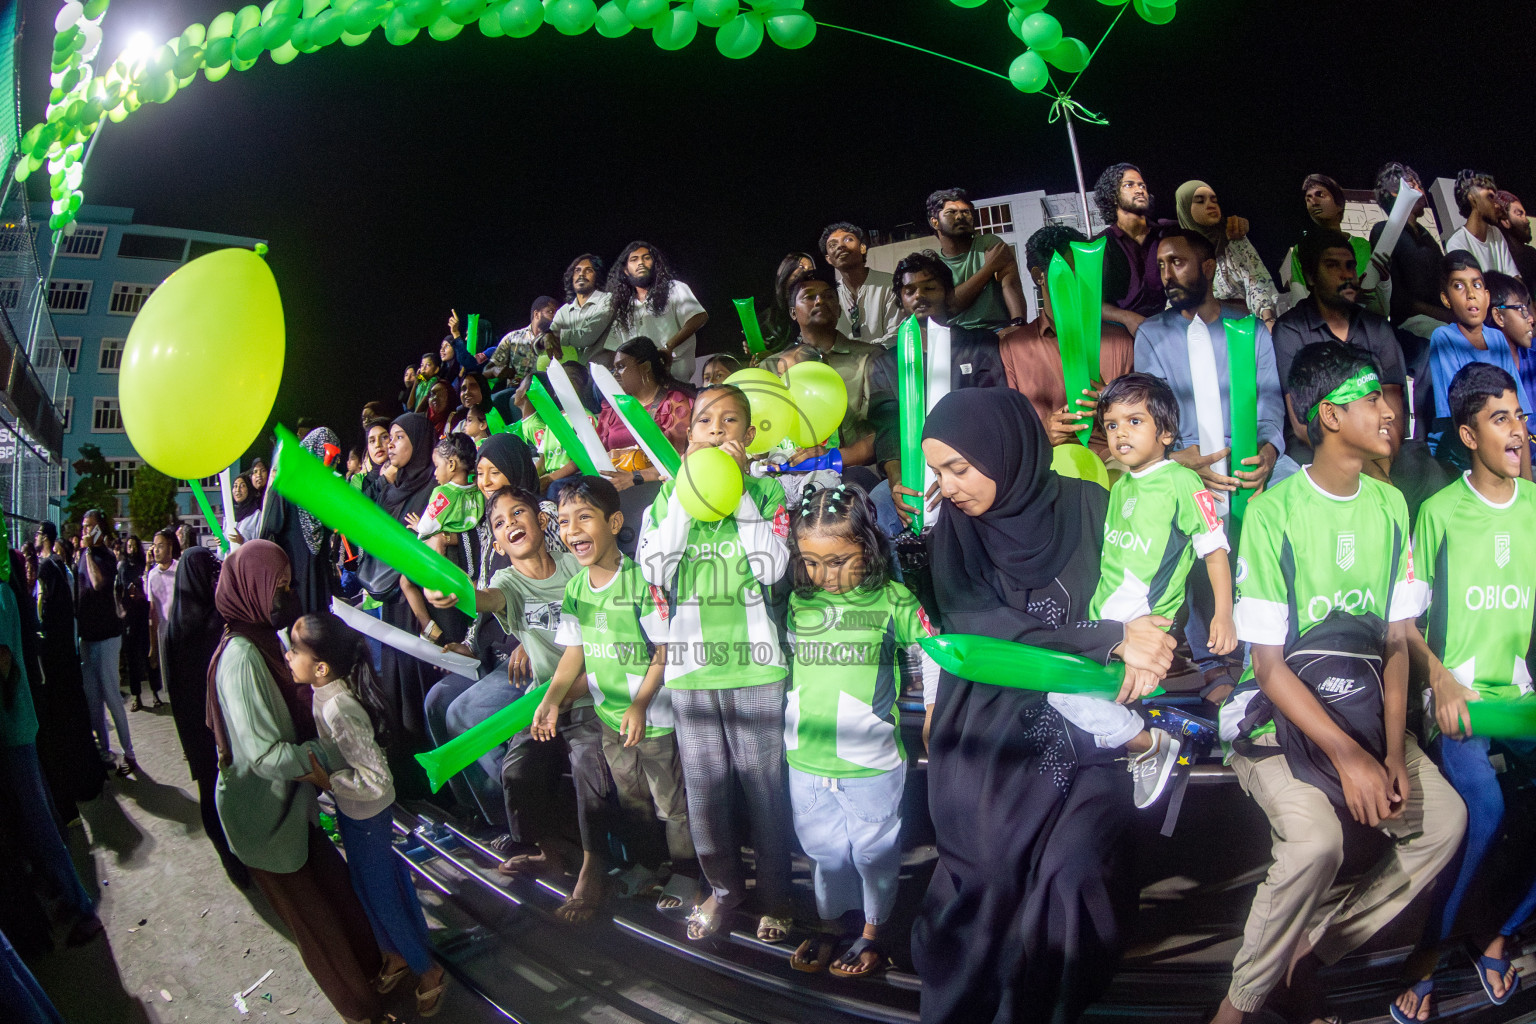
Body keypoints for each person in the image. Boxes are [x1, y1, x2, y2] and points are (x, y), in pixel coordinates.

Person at [1209, 343, 1464, 1024]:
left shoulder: (1390, 504)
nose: (1389, 412)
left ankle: (1308, 956)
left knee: (1444, 822)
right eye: (1372, 399)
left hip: (1362, 712)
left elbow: (1394, 644)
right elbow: (1268, 667)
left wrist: (1390, 751)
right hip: (1278, 718)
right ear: (1329, 415)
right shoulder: (1274, 512)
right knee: (1316, 844)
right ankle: (1238, 1005)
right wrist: (1352, 758)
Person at [912, 387, 1176, 1024]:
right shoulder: (953, 536)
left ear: (1006, 451)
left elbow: (1142, 585)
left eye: (959, 468)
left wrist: (1149, 640)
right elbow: (989, 632)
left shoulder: (1091, 505)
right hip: (991, 724)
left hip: (1092, 729)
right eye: (938, 472)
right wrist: (1110, 638)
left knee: (1073, 873)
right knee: (989, 867)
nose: (947, 487)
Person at [1390, 364, 1534, 1022]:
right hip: (1460, 699)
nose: (1518, 431)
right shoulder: (1439, 512)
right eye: (1501, 419)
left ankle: (1497, 933)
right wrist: (1441, 676)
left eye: (1520, 416)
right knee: (1486, 806)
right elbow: (1404, 625)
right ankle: (1427, 952)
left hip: (1521, 698)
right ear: (1469, 435)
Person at [636, 384, 793, 943]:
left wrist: (738, 493)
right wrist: (689, 492)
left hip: (757, 669)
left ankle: (778, 897)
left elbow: (772, 569)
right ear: (687, 436)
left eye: (731, 422)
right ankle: (724, 892)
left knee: (766, 794)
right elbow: (654, 569)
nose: (718, 431)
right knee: (704, 797)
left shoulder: (767, 493)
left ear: (748, 437)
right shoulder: (664, 499)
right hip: (691, 670)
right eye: (706, 421)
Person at [207, 541, 384, 1024]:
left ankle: (378, 974)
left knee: (340, 896)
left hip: (291, 804)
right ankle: (363, 1012)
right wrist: (336, 751)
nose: (285, 596)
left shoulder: (263, 640)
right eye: (278, 587)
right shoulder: (241, 659)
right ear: (252, 588)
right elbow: (264, 757)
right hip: (262, 818)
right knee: (318, 928)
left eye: (286, 585)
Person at [426, 487, 610, 923]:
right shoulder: (508, 583)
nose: (510, 523)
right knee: (518, 769)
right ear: (496, 544)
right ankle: (550, 852)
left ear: (541, 521)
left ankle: (594, 866)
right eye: (499, 522)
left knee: (589, 762)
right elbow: (482, 598)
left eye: (518, 513)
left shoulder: (575, 564)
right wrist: (453, 591)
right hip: (545, 700)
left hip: (592, 691)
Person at [782, 483, 938, 979]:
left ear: (867, 549)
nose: (824, 575)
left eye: (838, 561)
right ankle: (831, 923)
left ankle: (873, 931)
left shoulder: (894, 600)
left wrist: (932, 711)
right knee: (824, 853)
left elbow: (933, 654)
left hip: (870, 762)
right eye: (811, 561)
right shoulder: (800, 602)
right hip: (806, 759)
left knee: (873, 854)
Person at [532, 478, 700, 913]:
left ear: (614, 522)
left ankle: (686, 875)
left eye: (584, 517)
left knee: (671, 803)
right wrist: (552, 697)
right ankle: (647, 865)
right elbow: (575, 651)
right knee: (632, 799)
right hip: (611, 720)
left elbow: (664, 649)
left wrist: (641, 704)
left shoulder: (642, 582)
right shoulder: (576, 589)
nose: (572, 530)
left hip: (653, 720)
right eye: (564, 521)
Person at [1134, 230, 1288, 698]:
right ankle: (1211, 660)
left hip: (1247, 456)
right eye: (1161, 265)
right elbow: (1151, 414)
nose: (1167, 274)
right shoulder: (1153, 334)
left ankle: (1277, 646)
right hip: (1185, 458)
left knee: (1296, 493)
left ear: (1208, 267)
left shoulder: (1248, 329)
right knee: (1178, 506)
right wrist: (1177, 459)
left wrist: (1268, 452)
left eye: (1177, 262)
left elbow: (1270, 403)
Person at [1070, 373, 1233, 808]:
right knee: (1071, 703)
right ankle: (1158, 736)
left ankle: (1152, 743)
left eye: (1134, 421)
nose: (1120, 433)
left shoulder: (1182, 482)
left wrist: (1223, 615)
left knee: (1065, 694)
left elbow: (1214, 551)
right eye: (1112, 424)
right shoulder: (1121, 485)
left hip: (1146, 632)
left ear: (1165, 433)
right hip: (1104, 631)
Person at [287, 612, 449, 1017]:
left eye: (294, 650)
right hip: (353, 810)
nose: (287, 656)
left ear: (321, 668)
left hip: (368, 814)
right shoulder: (324, 694)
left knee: (383, 897)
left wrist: (328, 781)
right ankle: (395, 954)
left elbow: (378, 779)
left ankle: (428, 970)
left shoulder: (339, 707)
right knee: (366, 887)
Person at [419, 432, 541, 832]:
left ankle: (520, 822)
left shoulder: (544, 516)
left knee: (465, 712)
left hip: (533, 654)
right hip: (493, 653)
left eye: (494, 472)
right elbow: (488, 594)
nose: (485, 481)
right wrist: (469, 645)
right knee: (438, 701)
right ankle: (478, 811)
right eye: (481, 473)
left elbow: (561, 588)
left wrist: (531, 640)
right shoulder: (493, 526)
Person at [865, 251, 1007, 532]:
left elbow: (991, 414)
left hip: (973, 464)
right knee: (878, 509)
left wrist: (955, 473)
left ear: (948, 293)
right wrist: (897, 482)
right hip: (912, 471)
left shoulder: (979, 345)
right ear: (900, 301)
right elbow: (888, 429)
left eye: (929, 287)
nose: (920, 295)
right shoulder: (886, 363)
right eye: (910, 291)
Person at [0, 574, 103, 949]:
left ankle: (82, 908)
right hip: (17, 723)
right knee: (38, 819)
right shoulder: (5, 590)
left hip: (13, 727)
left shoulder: (0, 594)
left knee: (39, 822)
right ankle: (65, 895)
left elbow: (4, 659)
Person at [1272, 229, 1408, 466]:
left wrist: (1381, 469)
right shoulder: (1291, 330)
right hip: (1317, 450)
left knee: (1420, 464)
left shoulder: (1377, 329)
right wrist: (1361, 468)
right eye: (1333, 266)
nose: (1346, 274)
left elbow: (1393, 417)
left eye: (1350, 266)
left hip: (1377, 448)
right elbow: (1302, 425)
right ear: (1311, 277)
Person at [998, 224, 1135, 459]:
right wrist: (1044, 432)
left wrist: (1114, 406)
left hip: (1114, 460)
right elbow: (1012, 424)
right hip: (1049, 464)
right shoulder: (1014, 347)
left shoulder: (1119, 341)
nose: (1081, 281)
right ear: (1039, 276)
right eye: (1071, 271)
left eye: (1086, 271)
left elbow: (1143, 416)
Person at [160, 545, 247, 887]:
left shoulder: (175, 625)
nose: (214, 579)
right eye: (208, 573)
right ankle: (237, 858)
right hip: (221, 723)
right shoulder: (216, 622)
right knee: (224, 790)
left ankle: (231, 858)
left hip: (195, 726)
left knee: (211, 789)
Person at [365, 413, 447, 744]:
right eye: (390, 438)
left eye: (398, 437)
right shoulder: (392, 487)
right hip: (392, 597)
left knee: (420, 681)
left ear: (419, 442)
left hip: (420, 602)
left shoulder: (435, 489)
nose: (389, 445)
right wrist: (382, 482)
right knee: (397, 681)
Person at [1426, 251, 1532, 464]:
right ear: (1446, 299)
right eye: (1459, 286)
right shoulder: (1444, 338)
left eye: (1476, 285)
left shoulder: (1497, 339)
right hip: (1459, 455)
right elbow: (1457, 419)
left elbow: (1519, 415)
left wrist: (1526, 479)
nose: (1471, 294)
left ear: (1487, 295)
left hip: (1501, 448)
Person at [30, 521, 103, 816]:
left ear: (45, 537)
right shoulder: (59, 566)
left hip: (57, 658)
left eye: (38, 534)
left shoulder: (48, 567)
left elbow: (43, 609)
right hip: (67, 654)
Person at [402, 432, 483, 643]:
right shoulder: (477, 491)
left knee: (405, 581)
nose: (435, 472)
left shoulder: (443, 493)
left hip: (443, 558)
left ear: (452, 464)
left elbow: (427, 527)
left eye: (437, 466)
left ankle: (428, 627)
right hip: (468, 561)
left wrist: (418, 526)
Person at [1278, 174, 1389, 317]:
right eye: (1308, 199)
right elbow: (1300, 301)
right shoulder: (1302, 250)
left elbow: (1382, 306)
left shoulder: (1364, 246)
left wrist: (1385, 283)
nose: (1313, 202)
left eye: (1320, 195)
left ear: (1339, 204)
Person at [74, 509, 134, 775]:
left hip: (107, 636)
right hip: (87, 636)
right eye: (84, 526)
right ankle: (104, 752)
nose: (85, 530)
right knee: (93, 700)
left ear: (100, 529)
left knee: (111, 695)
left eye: (90, 526)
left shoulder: (106, 557)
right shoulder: (81, 557)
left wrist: (88, 552)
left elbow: (98, 584)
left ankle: (129, 753)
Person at [260, 426, 342, 616]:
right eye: (327, 455)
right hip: (293, 578)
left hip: (319, 578)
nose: (330, 464)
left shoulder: (326, 493)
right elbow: (270, 531)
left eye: (335, 458)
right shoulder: (286, 485)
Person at [1175, 179, 1279, 328]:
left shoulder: (1233, 238)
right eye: (1200, 201)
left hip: (1244, 327)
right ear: (1185, 208)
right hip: (1202, 329)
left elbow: (1257, 281)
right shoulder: (1181, 252)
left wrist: (1268, 320)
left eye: (1214, 200)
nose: (1210, 204)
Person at [786, 271, 883, 430]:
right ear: (793, 313)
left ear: (838, 310)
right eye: (809, 297)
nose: (820, 301)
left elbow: (884, 423)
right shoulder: (777, 365)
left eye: (828, 296)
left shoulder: (871, 357)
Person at [596, 337, 695, 492]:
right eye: (614, 369)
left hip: (656, 487)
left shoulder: (673, 404)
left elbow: (678, 462)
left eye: (621, 367)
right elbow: (597, 451)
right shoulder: (612, 408)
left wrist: (634, 477)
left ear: (645, 367)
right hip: (614, 487)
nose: (615, 374)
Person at [924, 187, 1026, 332]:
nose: (960, 217)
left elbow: (1011, 284)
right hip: (954, 335)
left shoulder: (989, 243)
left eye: (966, 212)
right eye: (951, 212)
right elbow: (951, 305)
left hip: (996, 330)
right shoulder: (933, 263)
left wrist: (1018, 324)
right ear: (935, 222)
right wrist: (989, 268)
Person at [606, 241, 708, 383]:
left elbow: (699, 316)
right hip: (641, 381)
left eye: (646, 258)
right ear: (626, 270)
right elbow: (615, 347)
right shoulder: (624, 306)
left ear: (655, 264)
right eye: (634, 259)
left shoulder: (674, 288)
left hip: (674, 376)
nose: (641, 263)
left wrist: (668, 347)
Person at [1095, 162, 1178, 334]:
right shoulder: (1100, 245)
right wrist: (1126, 317)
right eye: (1129, 185)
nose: (1139, 190)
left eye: (1142, 186)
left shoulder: (1167, 233)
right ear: (1113, 196)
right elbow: (1093, 303)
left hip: (1169, 328)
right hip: (1122, 333)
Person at [1368, 162, 1449, 339]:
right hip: (1414, 329)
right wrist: (1448, 316)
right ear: (1394, 191)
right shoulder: (1383, 231)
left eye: (1420, 185)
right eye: (1413, 185)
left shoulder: (1425, 235)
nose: (1421, 191)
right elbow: (1398, 300)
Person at [821, 221, 902, 345]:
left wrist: (859, 352)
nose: (840, 246)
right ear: (828, 259)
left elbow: (895, 336)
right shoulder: (831, 296)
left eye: (848, 239)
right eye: (833, 245)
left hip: (886, 357)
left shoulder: (889, 284)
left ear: (862, 248)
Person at [1443, 169, 1519, 278]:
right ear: (1473, 198)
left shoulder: (1495, 233)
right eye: (1490, 197)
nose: (1497, 205)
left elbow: (1514, 277)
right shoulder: (1457, 243)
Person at [117, 535, 159, 711]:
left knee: (149, 654)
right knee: (132, 657)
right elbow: (122, 588)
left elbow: (148, 586)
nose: (132, 549)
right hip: (130, 617)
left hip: (144, 614)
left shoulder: (145, 564)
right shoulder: (123, 566)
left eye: (134, 546)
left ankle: (156, 693)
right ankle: (137, 696)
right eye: (129, 546)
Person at [548, 253, 616, 360]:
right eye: (577, 270)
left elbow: (588, 336)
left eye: (588, 270)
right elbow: (548, 338)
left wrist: (555, 336)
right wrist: (544, 339)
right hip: (569, 370)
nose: (581, 274)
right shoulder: (564, 311)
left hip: (601, 369)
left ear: (597, 276)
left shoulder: (608, 300)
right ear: (572, 277)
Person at [1487, 271, 1536, 407]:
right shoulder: (1486, 371)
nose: (1531, 318)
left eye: (1528, 307)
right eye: (1521, 308)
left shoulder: (1532, 355)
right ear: (1499, 317)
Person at [486, 297, 559, 386]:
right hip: (516, 390)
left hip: (549, 391)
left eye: (557, 313)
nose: (556, 317)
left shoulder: (561, 339)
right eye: (550, 312)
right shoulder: (513, 338)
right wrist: (495, 370)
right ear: (537, 314)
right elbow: (486, 371)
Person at [761, 252, 817, 354]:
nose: (807, 273)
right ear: (786, 273)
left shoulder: (815, 309)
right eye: (801, 267)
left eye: (810, 270)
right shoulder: (769, 317)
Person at [145, 527, 179, 694]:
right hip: (163, 635)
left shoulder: (180, 569)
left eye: (160, 546)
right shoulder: (152, 575)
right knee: (170, 682)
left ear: (170, 546)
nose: (156, 550)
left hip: (181, 632)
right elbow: (153, 612)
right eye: (154, 546)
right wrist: (153, 646)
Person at [1494, 189, 1536, 285]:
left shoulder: (1531, 254)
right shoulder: (1500, 257)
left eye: (1525, 214)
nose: (1527, 220)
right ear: (1505, 222)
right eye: (1519, 214)